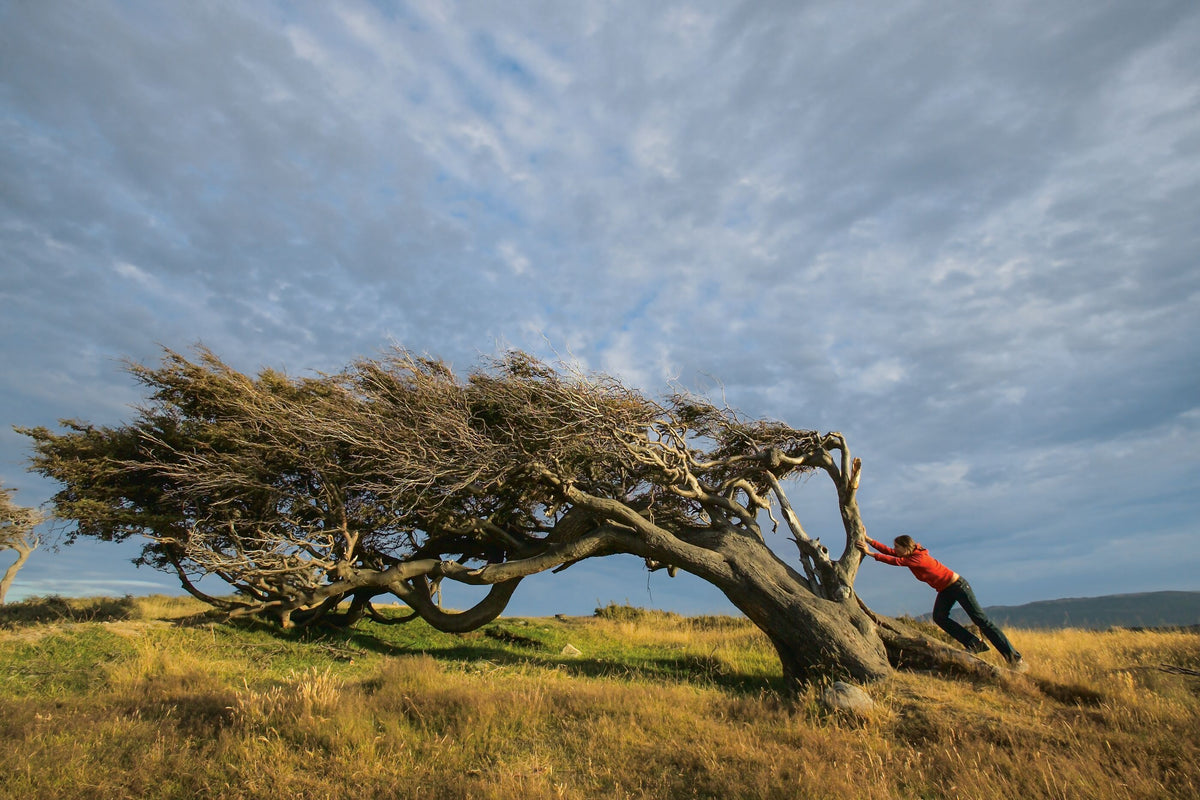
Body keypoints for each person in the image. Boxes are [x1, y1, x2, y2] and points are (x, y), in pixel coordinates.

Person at [855, 534, 1027, 672]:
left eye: (897, 547)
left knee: (981, 620)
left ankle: (1015, 659)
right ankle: (974, 644)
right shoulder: (910, 554)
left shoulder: (918, 558)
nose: (894, 550)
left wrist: (870, 553)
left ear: (906, 548)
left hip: (958, 586)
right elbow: (892, 553)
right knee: (940, 617)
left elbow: (896, 560)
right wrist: (869, 540)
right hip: (945, 589)